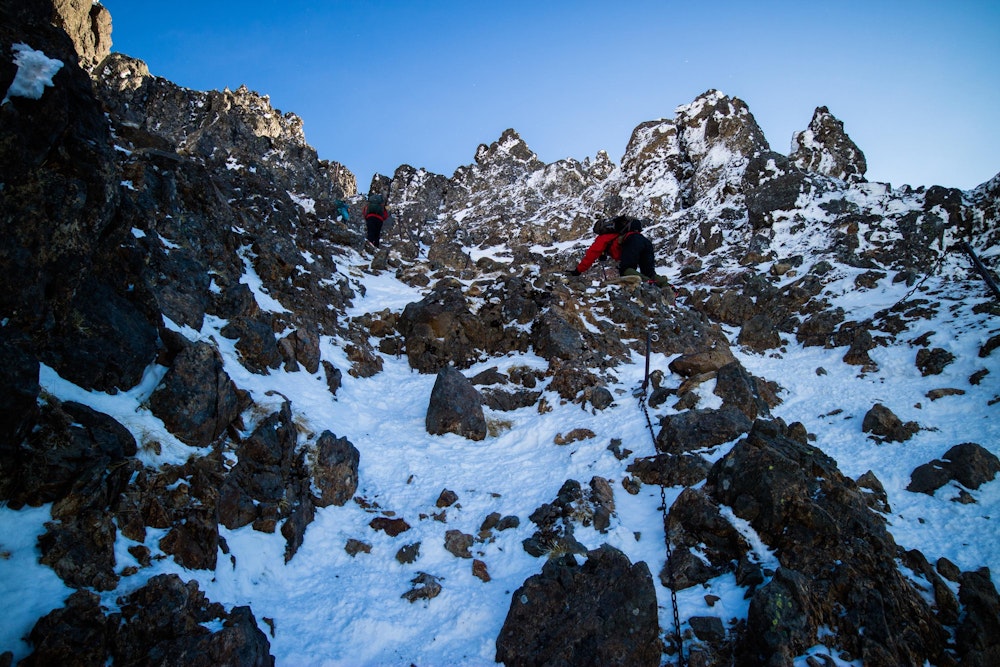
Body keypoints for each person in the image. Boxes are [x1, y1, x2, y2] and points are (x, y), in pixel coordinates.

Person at [567, 215, 671, 288]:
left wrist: (578, 271)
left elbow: (592, 254)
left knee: (626, 270)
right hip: (645, 241)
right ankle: (666, 286)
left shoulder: (604, 237)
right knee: (649, 272)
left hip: (632, 242)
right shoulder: (619, 233)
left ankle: (647, 282)